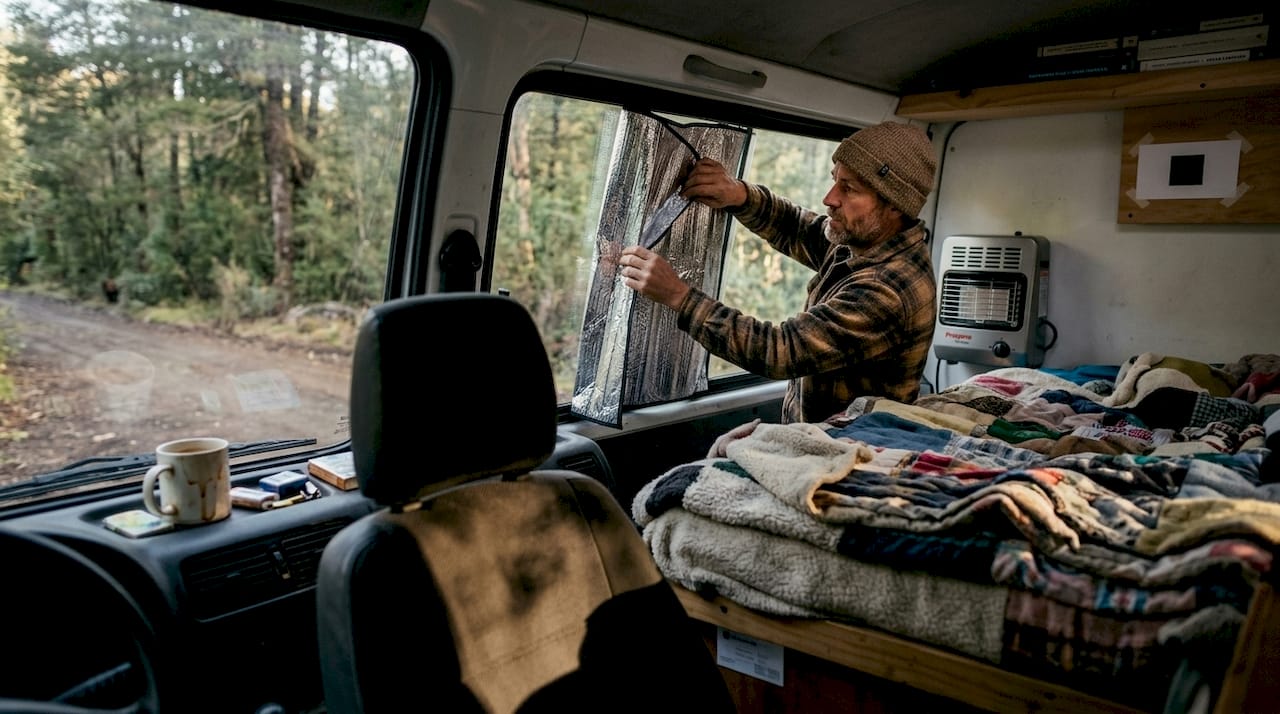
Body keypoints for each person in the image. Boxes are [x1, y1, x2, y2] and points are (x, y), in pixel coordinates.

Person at [617, 121, 938, 424]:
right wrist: (738, 194)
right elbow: (798, 228)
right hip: (820, 440)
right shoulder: (864, 240)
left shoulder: (888, 290)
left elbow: (781, 350)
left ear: (895, 205)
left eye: (849, 188)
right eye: (834, 179)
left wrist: (679, 296)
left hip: (850, 450)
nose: (829, 199)